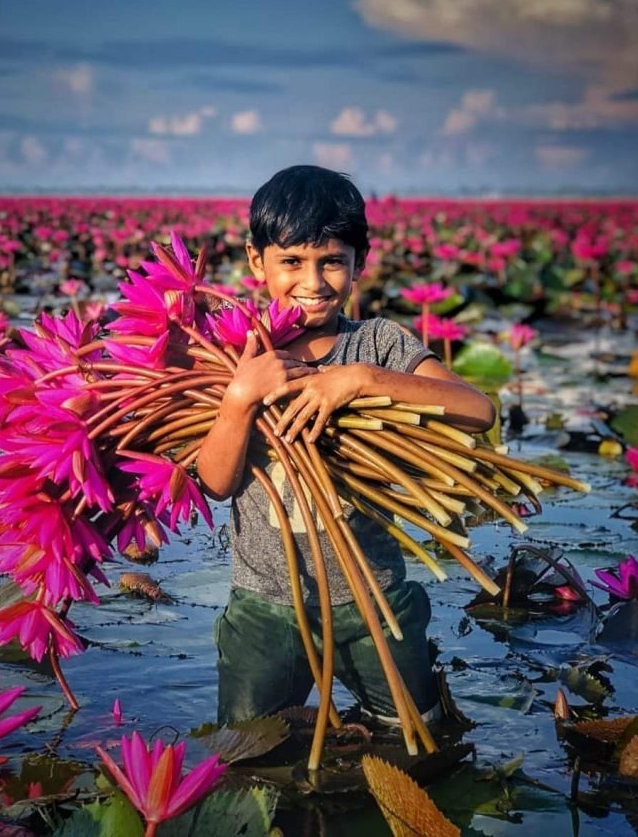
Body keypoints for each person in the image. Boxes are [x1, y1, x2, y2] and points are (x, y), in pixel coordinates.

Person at [196, 164, 496, 727]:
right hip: (265, 606)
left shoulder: (379, 344)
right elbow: (215, 484)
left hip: (374, 599)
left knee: (415, 736)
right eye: (292, 262)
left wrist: (361, 379)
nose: (313, 282)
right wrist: (238, 399)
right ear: (256, 262)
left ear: (359, 263)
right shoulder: (235, 352)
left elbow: (479, 410)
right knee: (247, 754)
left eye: (331, 260)